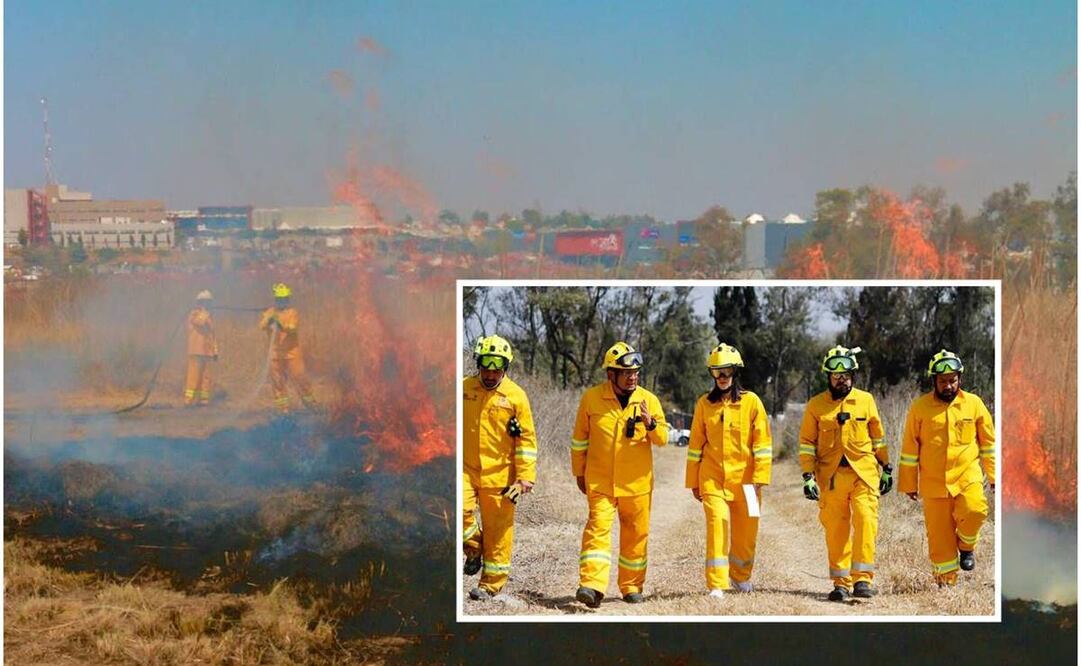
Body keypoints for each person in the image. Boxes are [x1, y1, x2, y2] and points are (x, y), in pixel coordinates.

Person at [571, 342, 668, 608]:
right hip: (600, 482)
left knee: (636, 536)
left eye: (636, 372)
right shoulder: (591, 399)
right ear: (611, 374)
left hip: (637, 484)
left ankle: (631, 586)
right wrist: (579, 472)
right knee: (597, 530)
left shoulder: (649, 400)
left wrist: (650, 424)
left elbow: (663, 439)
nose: (632, 377)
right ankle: (591, 586)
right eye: (626, 373)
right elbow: (580, 440)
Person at [798, 345, 891, 601]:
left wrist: (886, 467)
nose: (842, 380)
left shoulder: (866, 400)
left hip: (864, 474)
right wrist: (807, 477)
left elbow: (878, 438)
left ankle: (862, 580)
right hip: (831, 478)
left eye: (847, 375)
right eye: (837, 376)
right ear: (828, 376)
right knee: (836, 530)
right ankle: (841, 583)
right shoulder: (816, 406)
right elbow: (806, 443)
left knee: (865, 521)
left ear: (853, 375)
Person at [899, 350, 995, 586]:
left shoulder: (974, 404)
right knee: (940, 539)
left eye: (953, 380)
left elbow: (989, 445)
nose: (948, 386)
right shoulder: (920, 408)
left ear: (960, 379)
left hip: (967, 478)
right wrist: (909, 483)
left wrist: (996, 477)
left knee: (975, 510)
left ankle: (967, 546)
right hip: (934, 485)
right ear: (934, 381)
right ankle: (946, 585)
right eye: (943, 381)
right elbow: (910, 449)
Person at [685, 343, 772, 598]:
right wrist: (694, 482)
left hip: (748, 483)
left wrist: (760, 479)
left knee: (748, 531)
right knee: (717, 525)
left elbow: (763, 444)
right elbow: (695, 447)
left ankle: (741, 577)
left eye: (726, 372)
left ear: (735, 372)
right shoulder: (704, 404)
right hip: (713, 480)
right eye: (716, 372)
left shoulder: (752, 402)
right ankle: (717, 584)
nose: (722, 378)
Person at [461, 334, 538, 601]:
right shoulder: (463, 389)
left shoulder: (516, 397)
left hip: (502, 477)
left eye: (497, 369)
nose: (491, 374)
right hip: (466, 470)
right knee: (457, 510)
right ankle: (473, 547)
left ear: (505, 367)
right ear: (478, 364)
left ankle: (490, 585)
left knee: (498, 533)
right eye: (486, 368)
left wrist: (525, 478)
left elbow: (527, 440)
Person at [259, 282, 316, 413]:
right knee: (278, 382)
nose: (282, 302)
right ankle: (283, 409)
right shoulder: (270, 312)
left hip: (292, 353)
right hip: (275, 354)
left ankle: (310, 404)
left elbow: (293, 328)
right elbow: (261, 326)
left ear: (288, 299)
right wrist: (268, 320)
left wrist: (281, 324)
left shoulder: (292, 313)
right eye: (279, 299)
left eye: (284, 299)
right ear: (276, 299)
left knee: (300, 378)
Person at [184, 290, 218, 406]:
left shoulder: (209, 316)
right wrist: (205, 312)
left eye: (209, 302)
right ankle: (188, 401)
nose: (208, 305)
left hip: (207, 351)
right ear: (200, 303)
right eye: (205, 302)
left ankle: (203, 401)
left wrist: (215, 350)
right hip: (196, 350)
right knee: (193, 377)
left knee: (206, 378)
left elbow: (212, 334)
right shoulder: (194, 314)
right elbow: (200, 322)